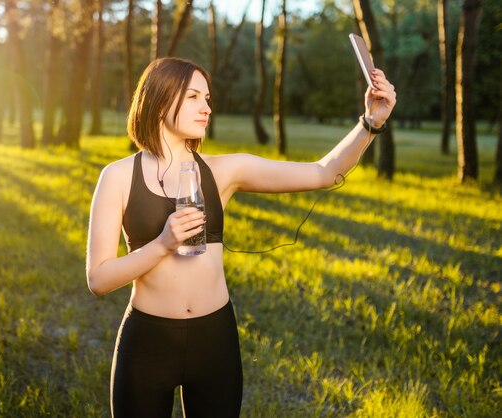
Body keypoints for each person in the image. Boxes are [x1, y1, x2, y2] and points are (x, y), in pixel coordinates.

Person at [86, 57, 396, 417]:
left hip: (214, 339)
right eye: (193, 97)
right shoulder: (118, 177)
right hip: (147, 343)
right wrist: (162, 244)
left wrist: (371, 122)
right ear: (158, 98)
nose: (207, 108)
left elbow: (323, 172)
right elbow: (99, 279)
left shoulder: (225, 171)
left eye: (208, 98)